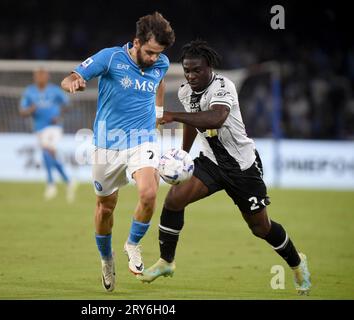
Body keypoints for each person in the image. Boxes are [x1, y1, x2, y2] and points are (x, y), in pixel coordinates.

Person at [137, 40, 312, 296]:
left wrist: (172, 115)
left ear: (209, 68)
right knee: (174, 200)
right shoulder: (186, 91)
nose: (191, 75)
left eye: (196, 70)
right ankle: (166, 261)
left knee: (260, 228)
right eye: (187, 70)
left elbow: (216, 118)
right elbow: (193, 123)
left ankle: (297, 263)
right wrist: (183, 155)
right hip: (211, 162)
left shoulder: (223, 86)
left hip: (242, 167)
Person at [61, 12, 175, 292]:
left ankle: (133, 244)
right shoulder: (110, 58)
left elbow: (160, 80)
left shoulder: (162, 62)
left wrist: (158, 112)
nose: (153, 59)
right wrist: (73, 83)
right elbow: (71, 77)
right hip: (106, 146)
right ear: (136, 42)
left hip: (142, 139)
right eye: (148, 52)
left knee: (149, 193)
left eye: (157, 54)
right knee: (105, 208)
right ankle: (106, 258)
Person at [20, 67, 77, 203]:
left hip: (54, 128)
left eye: (42, 75)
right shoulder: (29, 92)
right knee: (48, 154)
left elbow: (68, 104)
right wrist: (30, 110)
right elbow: (22, 112)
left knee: (47, 152)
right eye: (37, 75)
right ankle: (69, 181)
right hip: (39, 128)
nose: (40, 77)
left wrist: (59, 115)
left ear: (47, 77)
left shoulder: (54, 90)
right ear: (34, 77)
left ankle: (51, 184)